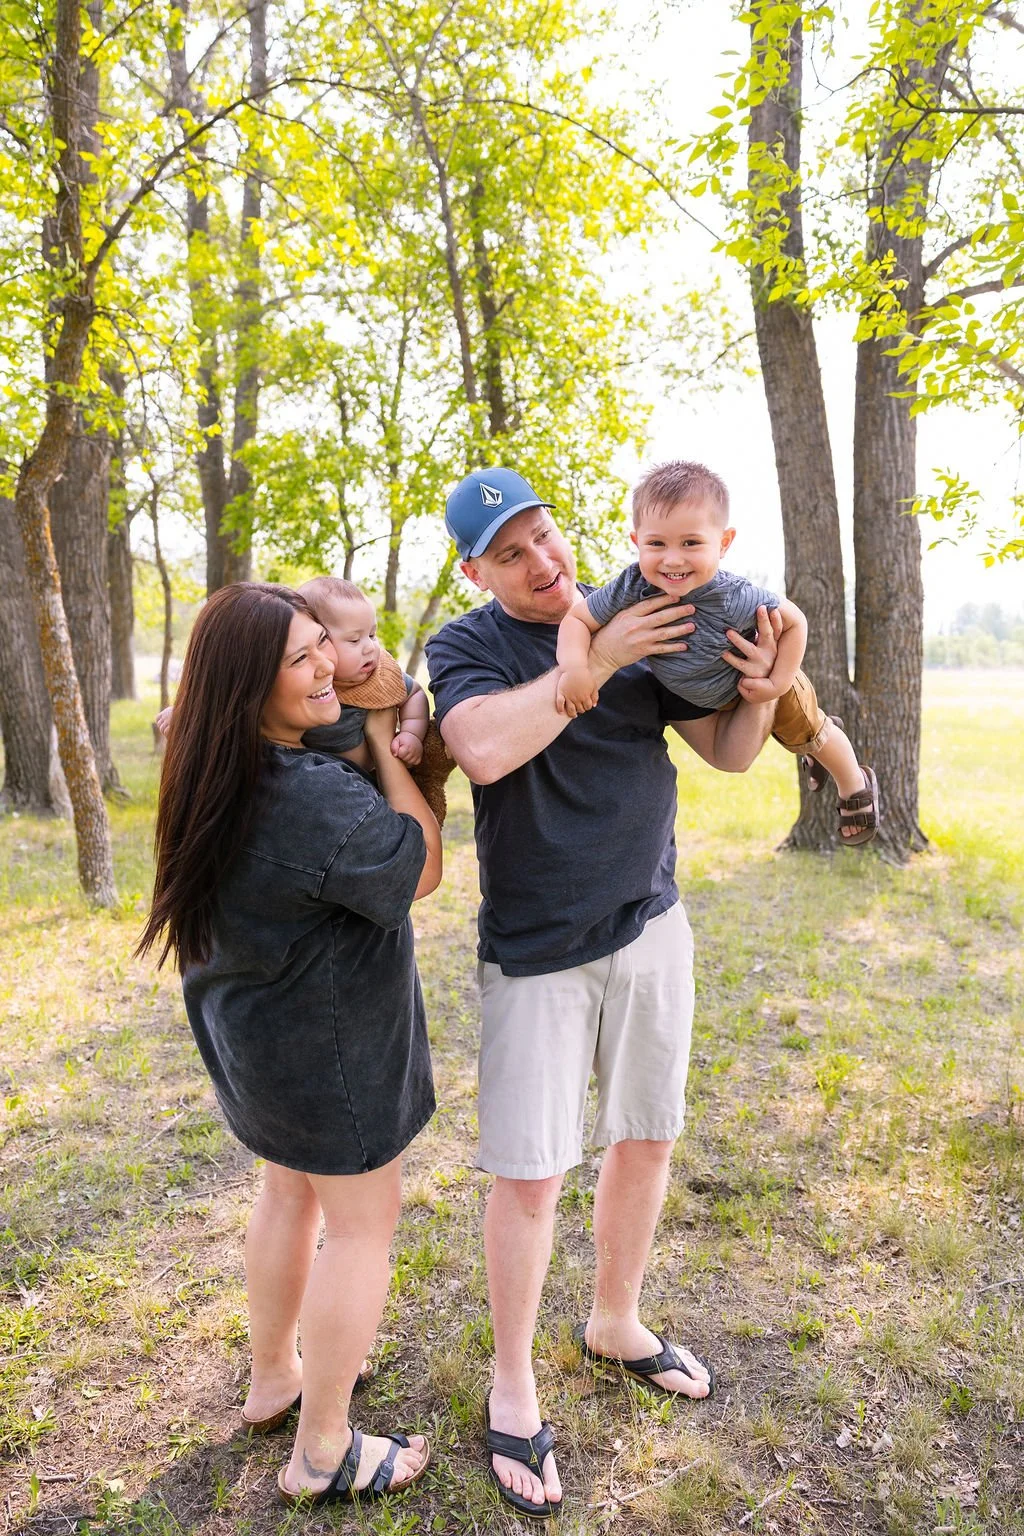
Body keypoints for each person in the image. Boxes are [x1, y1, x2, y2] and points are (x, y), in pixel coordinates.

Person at [426, 467, 782, 1520]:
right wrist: (595, 663)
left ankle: (615, 1320)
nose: (542, 563)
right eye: (510, 554)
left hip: (648, 921)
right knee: (531, 1178)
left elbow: (723, 755)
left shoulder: (645, 607)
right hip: (536, 949)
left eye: (546, 538)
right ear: (474, 570)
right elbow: (483, 750)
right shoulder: (467, 648)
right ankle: (512, 1381)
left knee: (644, 1135)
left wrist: (761, 693)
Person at [137, 582, 441, 1506]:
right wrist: (396, 748)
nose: (329, 669)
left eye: (325, 646)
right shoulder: (306, 796)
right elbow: (420, 866)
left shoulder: (211, 766)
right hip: (329, 1051)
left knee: (287, 1195)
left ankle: (276, 1378)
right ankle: (323, 1449)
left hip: (256, 1039)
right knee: (362, 1228)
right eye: (302, 660)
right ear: (245, 687)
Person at [555, 460, 878, 843]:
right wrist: (575, 669)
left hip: (764, 685)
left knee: (814, 733)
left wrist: (776, 683)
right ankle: (811, 749)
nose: (672, 559)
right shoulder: (632, 585)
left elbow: (796, 623)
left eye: (691, 543)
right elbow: (578, 620)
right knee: (798, 738)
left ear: (723, 543)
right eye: (656, 543)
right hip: (712, 702)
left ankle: (853, 784)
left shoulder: (732, 596)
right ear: (636, 541)